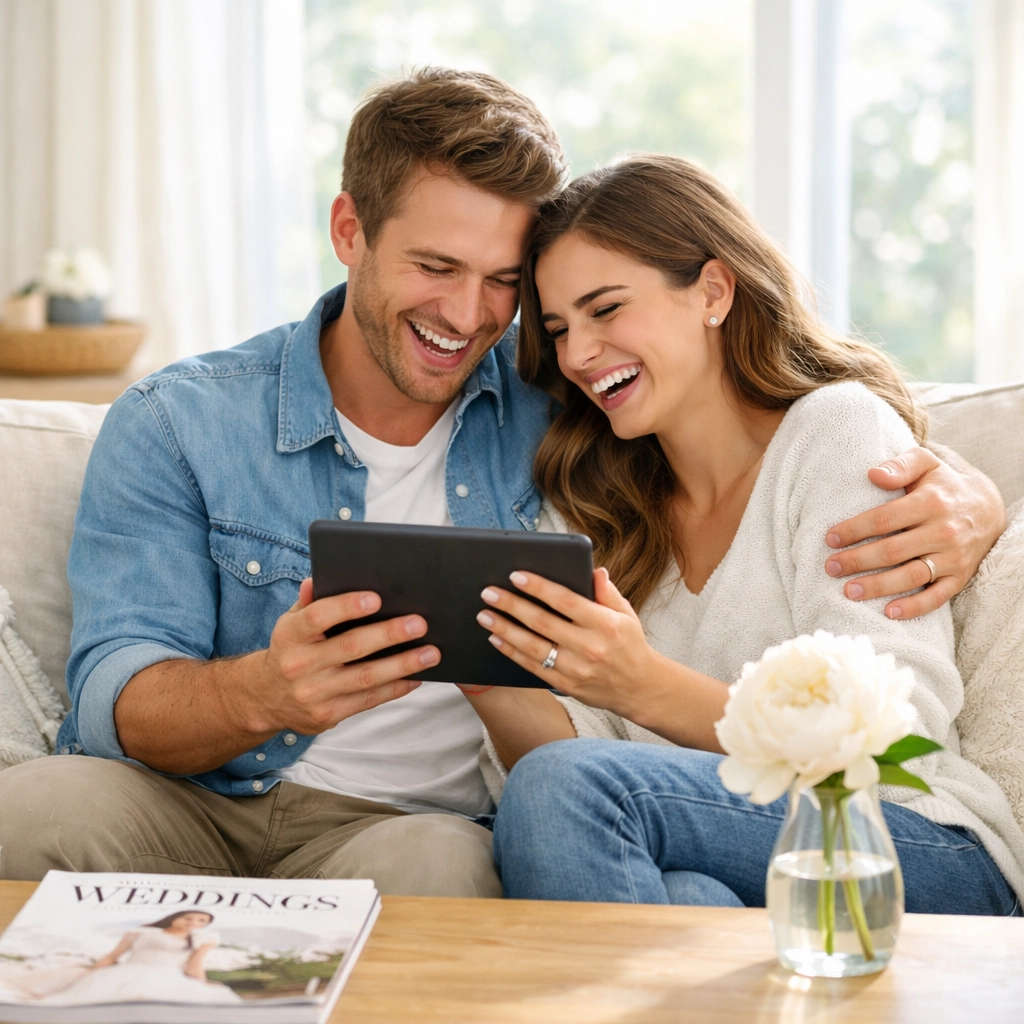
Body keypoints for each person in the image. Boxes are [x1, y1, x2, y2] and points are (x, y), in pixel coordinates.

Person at [0, 69, 1005, 893]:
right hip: (203, 798)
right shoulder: (184, 420)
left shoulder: (575, 414)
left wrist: (979, 499)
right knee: (32, 807)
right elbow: (109, 695)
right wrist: (276, 687)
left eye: (505, 285)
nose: (472, 315)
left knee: (482, 847)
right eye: (436, 265)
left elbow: (787, 421)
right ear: (349, 231)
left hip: (423, 829)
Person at [464, 155, 1024, 915]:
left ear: (714, 292)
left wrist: (642, 685)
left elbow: (892, 738)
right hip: (732, 857)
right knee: (689, 898)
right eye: (559, 329)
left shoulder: (836, 432)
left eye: (606, 309)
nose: (578, 355)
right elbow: (562, 798)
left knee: (572, 788)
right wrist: (488, 678)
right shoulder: (594, 504)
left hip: (905, 839)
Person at [38, 911, 241, 1005]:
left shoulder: (201, 939)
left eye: (201, 921)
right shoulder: (140, 932)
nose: (193, 922)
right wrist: (90, 971)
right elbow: (113, 956)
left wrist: (201, 983)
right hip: (127, 970)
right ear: (175, 917)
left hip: (168, 976)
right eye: (188, 917)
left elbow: (193, 968)